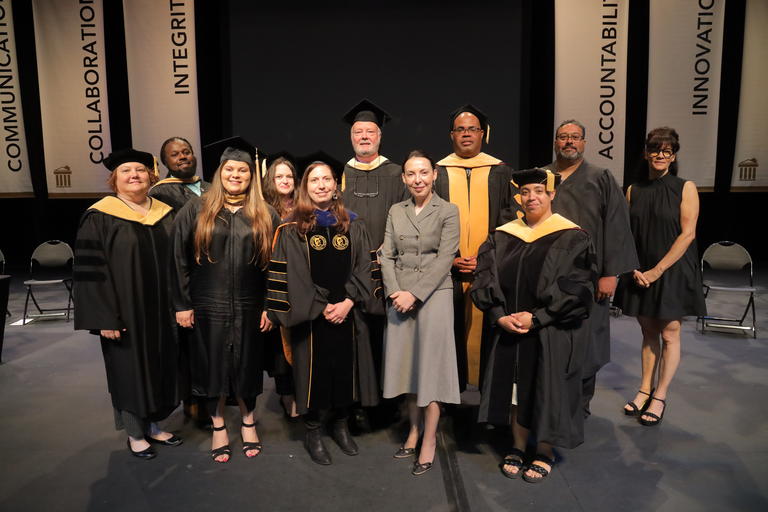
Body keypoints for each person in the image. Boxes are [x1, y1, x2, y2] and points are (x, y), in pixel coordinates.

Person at [472, 168, 596, 483]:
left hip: (550, 330)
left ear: (552, 194)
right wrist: (498, 314)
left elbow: (578, 287)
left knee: (547, 387)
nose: (532, 198)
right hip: (510, 327)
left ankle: (544, 450)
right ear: (519, 197)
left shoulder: (572, 236)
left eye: (539, 192)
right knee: (515, 388)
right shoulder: (503, 235)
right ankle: (517, 445)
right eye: (525, 192)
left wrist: (539, 317)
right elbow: (485, 276)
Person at [172, 137, 280, 463]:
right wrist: (182, 304)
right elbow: (178, 259)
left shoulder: (265, 213)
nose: (236, 175)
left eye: (243, 170)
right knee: (212, 366)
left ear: (251, 176)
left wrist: (271, 306)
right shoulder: (197, 209)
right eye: (230, 169)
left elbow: (278, 266)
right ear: (220, 172)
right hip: (207, 304)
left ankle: (248, 421)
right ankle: (218, 424)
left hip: (251, 303)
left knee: (247, 365)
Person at [267, 162, 380, 466]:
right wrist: (321, 305)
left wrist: (348, 301)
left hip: (348, 313)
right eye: (314, 180)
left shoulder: (353, 224)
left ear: (335, 184)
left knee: (346, 369)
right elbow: (292, 275)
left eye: (326, 179)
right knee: (312, 373)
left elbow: (366, 267)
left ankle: (341, 425)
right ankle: (313, 431)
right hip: (311, 317)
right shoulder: (292, 227)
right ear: (305, 187)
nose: (321, 185)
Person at [73, 148, 181, 460]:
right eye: (126, 171)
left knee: (160, 366)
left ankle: (154, 426)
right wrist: (104, 317)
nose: (134, 175)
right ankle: (135, 433)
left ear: (151, 176)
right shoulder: (100, 216)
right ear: (114, 179)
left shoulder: (166, 213)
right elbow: (91, 273)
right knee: (129, 372)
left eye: (140, 170)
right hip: (125, 313)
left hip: (162, 311)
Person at [540, 119, 638, 417]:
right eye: (563, 137)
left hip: (589, 277)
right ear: (555, 142)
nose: (569, 142)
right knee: (548, 338)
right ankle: (547, 401)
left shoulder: (600, 177)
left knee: (587, 341)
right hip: (546, 276)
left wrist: (610, 273)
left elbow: (617, 226)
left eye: (575, 137)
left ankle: (579, 406)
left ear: (584, 142)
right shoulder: (541, 177)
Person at [615, 127, 706, 427]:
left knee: (669, 333)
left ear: (674, 155)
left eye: (667, 150)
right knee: (648, 332)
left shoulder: (685, 187)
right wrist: (633, 267)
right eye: (655, 149)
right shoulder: (633, 189)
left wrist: (657, 270)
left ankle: (660, 395)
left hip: (672, 269)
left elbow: (688, 234)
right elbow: (627, 233)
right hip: (640, 271)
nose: (660, 155)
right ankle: (644, 389)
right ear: (646, 153)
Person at [380, 150, 461, 476]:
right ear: (403, 178)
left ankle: (429, 439)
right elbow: (386, 255)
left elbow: (445, 259)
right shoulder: (395, 210)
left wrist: (414, 294)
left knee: (432, 371)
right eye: (411, 174)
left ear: (434, 174)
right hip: (399, 297)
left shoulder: (448, 210)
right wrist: (395, 292)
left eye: (423, 172)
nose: (418, 179)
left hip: (433, 297)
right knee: (408, 370)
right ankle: (413, 430)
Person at [434, 104, 518, 390]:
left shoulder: (501, 172)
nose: (466, 134)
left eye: (472, 129)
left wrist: (485, 259)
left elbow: (510, 223)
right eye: (460, 129)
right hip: (448, 273)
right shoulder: (437, 173)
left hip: (490, 272)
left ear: (483, 134)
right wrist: (450, 259)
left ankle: (487, 396)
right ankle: (449, 394)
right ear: (452, 135)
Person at [340, 99, 407, 430]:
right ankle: (357, 403)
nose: (364, 136)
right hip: (349, 270)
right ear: (351, 137)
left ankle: (389, 402)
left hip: (386, 270)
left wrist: (389, 250)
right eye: (358, 132)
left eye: (370, 131)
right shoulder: (340, 174)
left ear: (380, 136)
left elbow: (406, 217)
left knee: (386, 336)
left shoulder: (396, 173)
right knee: (356, 336)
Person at [261, 157, 300, 421]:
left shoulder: (304, 206)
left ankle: (303, 390)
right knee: (278, 347)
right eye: (279, 177)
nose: (285, 181)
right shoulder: (263, 211)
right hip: (274, 284)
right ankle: (286, 394)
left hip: (300, 287)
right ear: (271, 181)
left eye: (289, 176)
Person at [149, 136, 210, 211]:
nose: (182, 156)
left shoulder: (211, 187)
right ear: (165, 162)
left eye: (187, 152)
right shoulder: (159, 193)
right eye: (174, 154)